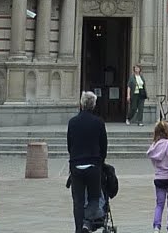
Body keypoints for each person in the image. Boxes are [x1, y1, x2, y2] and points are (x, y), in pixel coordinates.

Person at [67, 91, 108, 233]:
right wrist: (101, 162)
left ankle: (79, 229)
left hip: (76, 165)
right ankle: (87, 223)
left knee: (78, 201)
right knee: (94, 198)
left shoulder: (72, 122)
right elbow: (104, 146)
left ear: (81, 104)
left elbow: (69, 144)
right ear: (94, 105)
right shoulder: (99, 122)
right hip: (93, 165)